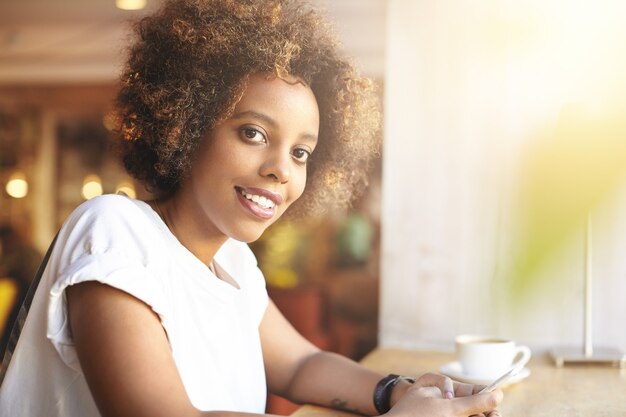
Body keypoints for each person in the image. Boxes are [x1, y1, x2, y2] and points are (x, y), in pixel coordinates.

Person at [0, 1, 503, 416]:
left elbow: (301, 365)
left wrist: (401, 391)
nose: (280, 169)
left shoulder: (234, 261)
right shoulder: (115, 229)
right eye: (254, 133)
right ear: (186, 127)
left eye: (300, 153)